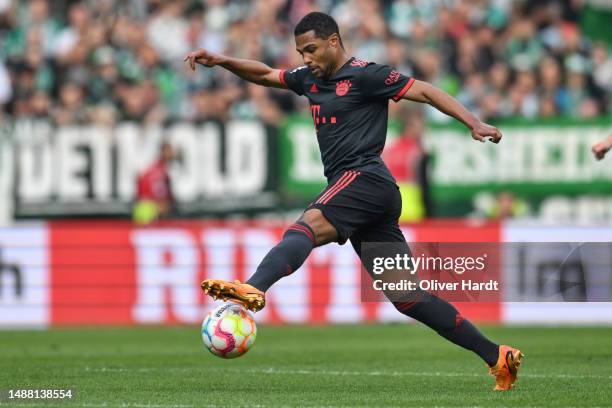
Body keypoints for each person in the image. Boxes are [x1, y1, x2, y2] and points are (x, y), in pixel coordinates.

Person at [185, 12, 522, 391]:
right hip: (368, 196)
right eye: (300, 51)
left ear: (333, 41)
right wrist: (223, 60)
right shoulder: (309, 78)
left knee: (305, 227)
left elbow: (426, 90)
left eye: (311, 49)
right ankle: (498, 356)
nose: (306, 58)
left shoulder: (367, 75)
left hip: (365, 178)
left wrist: (471, 121)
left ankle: (253, 288)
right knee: (407, 297)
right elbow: (265, 74)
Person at [133, 141, 176, 224]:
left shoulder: (163, 169)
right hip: (148, 212)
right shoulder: (158, 171)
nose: (172, 153)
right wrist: (161, 205)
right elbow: (156, 194)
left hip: (147, 209)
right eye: (169, 151)